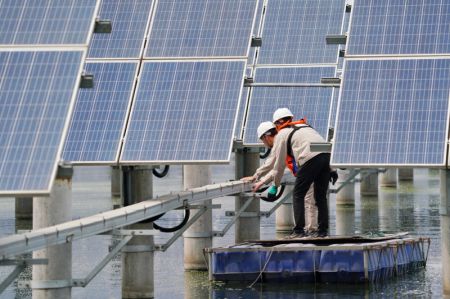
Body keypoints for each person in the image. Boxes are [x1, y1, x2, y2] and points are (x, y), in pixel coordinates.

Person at [252, 108, 331, 238]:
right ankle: (322, 231)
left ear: (277, 123)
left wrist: (275, 186)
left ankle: (298, 231)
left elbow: (279, 165)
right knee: (320, 196)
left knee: (298, 194)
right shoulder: (305, 126)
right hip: (326, 158)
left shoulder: (282, 134)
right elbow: (321, 147)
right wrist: (331, 170)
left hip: (310, 159)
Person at [241, 121, 318, 234]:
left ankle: (310, 232)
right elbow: (276, 167)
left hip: (309, 168)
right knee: (311, 200)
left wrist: (270, 184)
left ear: (266, 137)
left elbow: (275, 165)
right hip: (314, 166)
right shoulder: (288, 136)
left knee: (308, 200)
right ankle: (312, 230)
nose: (264, 144)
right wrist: (259, 179)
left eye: (262, 141)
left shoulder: (281, 140)